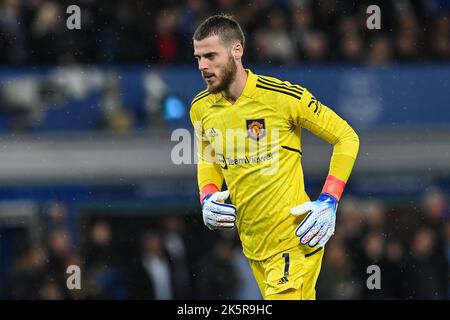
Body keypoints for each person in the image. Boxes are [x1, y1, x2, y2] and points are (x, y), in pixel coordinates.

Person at [189, 14, 359, 300]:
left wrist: (329, 199)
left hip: (293, 240)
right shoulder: (201, 108)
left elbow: (346, 137)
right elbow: (208, 157)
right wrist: (207, 196)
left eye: (210, 56)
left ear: (237, 51)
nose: (203, 66)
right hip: (254, 247)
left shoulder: (281, 98)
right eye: (197, 58)